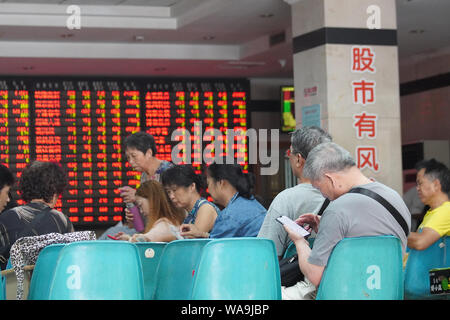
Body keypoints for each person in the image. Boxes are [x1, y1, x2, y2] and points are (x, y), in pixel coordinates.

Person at [282, 142, 411, 299]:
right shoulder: (395, 198)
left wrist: (300, 241)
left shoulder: (337, 210)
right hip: (387, 293)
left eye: (319, 187)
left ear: (330, 179)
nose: (323, 195)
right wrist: (325, 226)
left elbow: (315, 276)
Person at [257, 126, 331, 258]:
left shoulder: (286, 199)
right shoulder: (341, 196)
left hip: (295, 277)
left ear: (298, 159)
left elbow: (264, 253)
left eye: (289, 152)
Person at [0, 161, 74, 269]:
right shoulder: (62, 220)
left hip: (14, 284)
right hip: (48, 284)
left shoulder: (4, 218)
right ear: (54, 192)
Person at [98, 131, 173, 240]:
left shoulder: (168, 172)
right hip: (150, 230)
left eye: (134, 156)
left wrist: (137, 196)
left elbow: (171, 207)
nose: (131, 162)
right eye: (128, 158)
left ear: (148, 153)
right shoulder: (144, 175)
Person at [180, 162, 266, 239]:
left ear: (221, 183)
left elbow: (215, 247)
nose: (208, 190)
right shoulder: (253, 203)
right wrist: (202, 234)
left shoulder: (229, 215)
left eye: (209, 184)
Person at [114, 180, 186, 242]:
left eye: (140, 205)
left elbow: (143, 241)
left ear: (152, 200)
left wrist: (130, 239)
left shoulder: (164, 225)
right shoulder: (170, 223)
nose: (141, 211)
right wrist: (128, 238)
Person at [161, 164, 219, 235]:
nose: (171, 196)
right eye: (168, 192)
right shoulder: (187, 212)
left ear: (192, 186)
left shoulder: (205, 208)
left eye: (174, 190)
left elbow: (192, 242)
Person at [407, 159, 450, 251]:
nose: (417, 188)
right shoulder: (432, 213)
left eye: (420, 183)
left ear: (436, 184)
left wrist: (394, 231)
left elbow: (420, 242)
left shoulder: (446, 210)